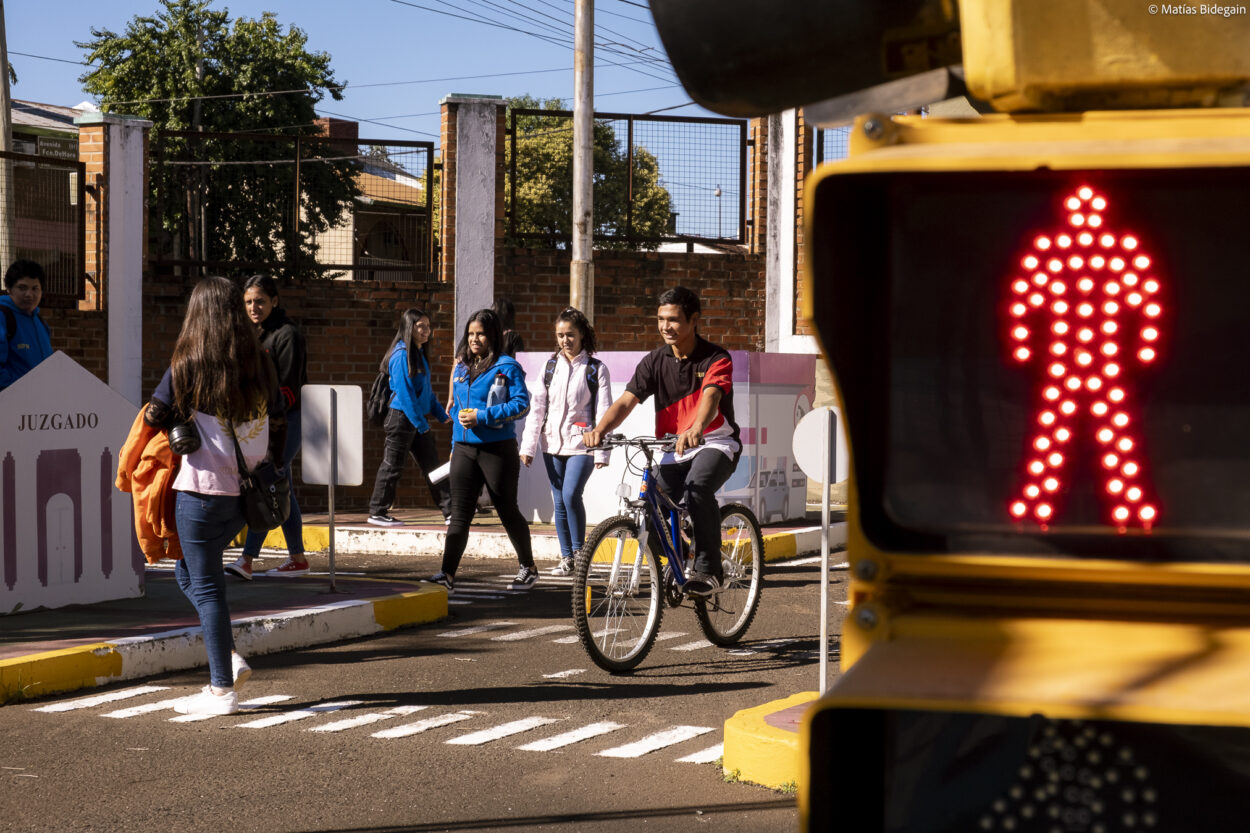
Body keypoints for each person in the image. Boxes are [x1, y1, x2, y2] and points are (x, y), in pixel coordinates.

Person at [144, 276, 287, 715]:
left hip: (202, 491)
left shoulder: (189, 361)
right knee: (191, 573)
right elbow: (279, 412)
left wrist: (175, 422)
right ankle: (226, 659)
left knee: (205, 589)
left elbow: (154, 411)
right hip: (243, 496)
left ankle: (222, 688)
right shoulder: (260, 360)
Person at [584, 287, 741, 597]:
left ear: (694, 320)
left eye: (674, 320)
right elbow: (626, 402)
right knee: (649, 505)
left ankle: (709, 571)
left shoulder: (715, 358)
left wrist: (697, 427)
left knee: (697, 489)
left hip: (716, 442)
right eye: (660, 319)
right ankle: (681, 563)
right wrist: (599, 430)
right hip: (674, 447)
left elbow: (711, 397)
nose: (665, 326)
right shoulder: (654, 361)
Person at [431, 308, 536, 594]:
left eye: (481, 334)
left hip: (497, 450)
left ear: (492, 336)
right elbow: (457, 413)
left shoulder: (506, 367)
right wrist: (454, 447)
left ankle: (528, 566)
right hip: (464, 449)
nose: (474, 339)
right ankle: (447, 574)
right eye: (471, 334)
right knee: (459, 514)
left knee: (507, 510)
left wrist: (482, 417)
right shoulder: (463, 367)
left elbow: (521, 405)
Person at [227, 275, 309, 579]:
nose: (253, 307)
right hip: (258, 422)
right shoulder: (250, 334)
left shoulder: (288, 335)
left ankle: (247, 559)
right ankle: (298, 558)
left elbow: (288, 389)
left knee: (266, 483)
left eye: (260, 301)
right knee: (280, 486)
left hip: (286, 422)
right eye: (248, 302)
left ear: (275, 301)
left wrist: (259, 416)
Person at [520, 307, 613, 575]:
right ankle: (568, 558)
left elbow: (604, 411)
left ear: (582, 334)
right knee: (559, 500)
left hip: (582, 444)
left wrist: (601, 453)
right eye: (560, 335)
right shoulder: (550, 367)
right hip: (551, 444)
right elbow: (537, 409)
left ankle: (581, 554)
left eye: (570, 334)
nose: (565, 340)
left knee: (572, 494)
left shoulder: (596, 369)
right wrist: (528, 447)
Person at [367, 308, 453, 526]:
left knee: (433, 466)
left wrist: (442, 415)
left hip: (414, 420)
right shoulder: (400, 355)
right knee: (392, 466)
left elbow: (426, 393)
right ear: (409, 327)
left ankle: (451, 512)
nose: (427, 331)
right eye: (421, 326)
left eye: (428, 326)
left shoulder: (418, 354)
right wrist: (421, 424)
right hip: (401, 419)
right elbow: (405, 396)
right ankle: (377, 512)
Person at [1, 259, 53, 392]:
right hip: (13, 404)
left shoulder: (41, 322)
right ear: (10, 289)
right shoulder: (3, 316)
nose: (29, 294)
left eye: (35, 288)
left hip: (39, 403)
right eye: (22, 288)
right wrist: (17, 391)